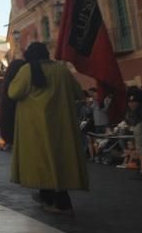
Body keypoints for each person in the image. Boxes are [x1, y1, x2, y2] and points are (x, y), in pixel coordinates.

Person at [7, 43, 88, 215]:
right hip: (62, 125)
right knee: (59, 159)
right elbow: (78, 93)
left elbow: (13, 92)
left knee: (42, 159)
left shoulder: (28, 70)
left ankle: (61, 203)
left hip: (36, 126)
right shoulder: (62, 70)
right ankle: (48, 196)